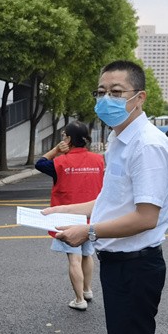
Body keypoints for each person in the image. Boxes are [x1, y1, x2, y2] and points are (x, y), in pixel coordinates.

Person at [45, 60, 168, 334]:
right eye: (101, 92)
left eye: (116, 92)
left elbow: (145, 217)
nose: (106, 99)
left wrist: (88, 230)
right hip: (119, 263)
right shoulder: (120, 139)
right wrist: (62, 210)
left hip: (137, 266)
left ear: (139, 97)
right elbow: (108, 201)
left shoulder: (147, 146)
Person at [35, 121, 105, 310]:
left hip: (67, 217)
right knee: (87, 255)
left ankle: (79, 300)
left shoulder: (60, 162)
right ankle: (88, 290)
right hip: (91, 216)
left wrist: (56, 150)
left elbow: (40, 163)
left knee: (74, 258)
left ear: (68, 139)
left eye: (64, 136)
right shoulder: (99, 160)